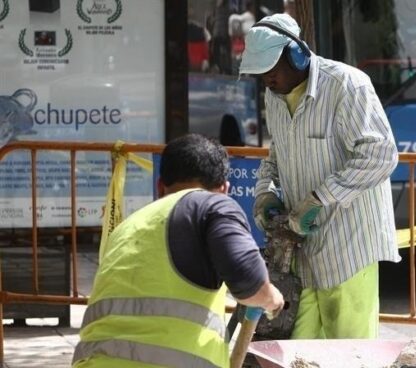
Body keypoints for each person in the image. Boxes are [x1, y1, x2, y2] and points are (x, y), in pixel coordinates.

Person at [239, 13, 401, 340]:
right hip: (303, 256)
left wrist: (320, 199)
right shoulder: (274, 97)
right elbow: (276, 157)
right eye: (259, 73)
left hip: (349, 249)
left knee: (349, 355)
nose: (266, 79)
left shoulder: (346, 85)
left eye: (270, 68)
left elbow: (382, 154)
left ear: (296, 54)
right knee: (298, 353)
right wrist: (266, 194)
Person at [71, 134, 284, 367]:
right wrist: (272, 298)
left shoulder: (126, 228)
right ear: (224, 188)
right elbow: (250, 284)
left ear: (160, 186)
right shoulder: (213, 205)